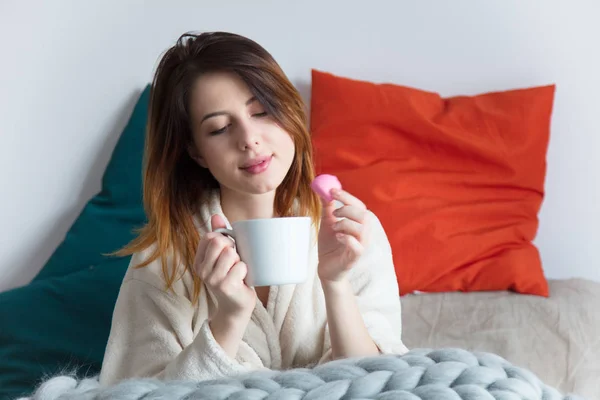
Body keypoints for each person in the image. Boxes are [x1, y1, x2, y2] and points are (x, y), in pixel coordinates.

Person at [99, 31, 408, 386]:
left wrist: (335, 282)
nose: (249, 139)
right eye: (219, 128)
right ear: (196, 151)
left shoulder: (352, 232)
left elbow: (380, 385)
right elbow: (137, 395)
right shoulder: (160, 264)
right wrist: (229, 319)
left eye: (261, 112)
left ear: (289, 111)